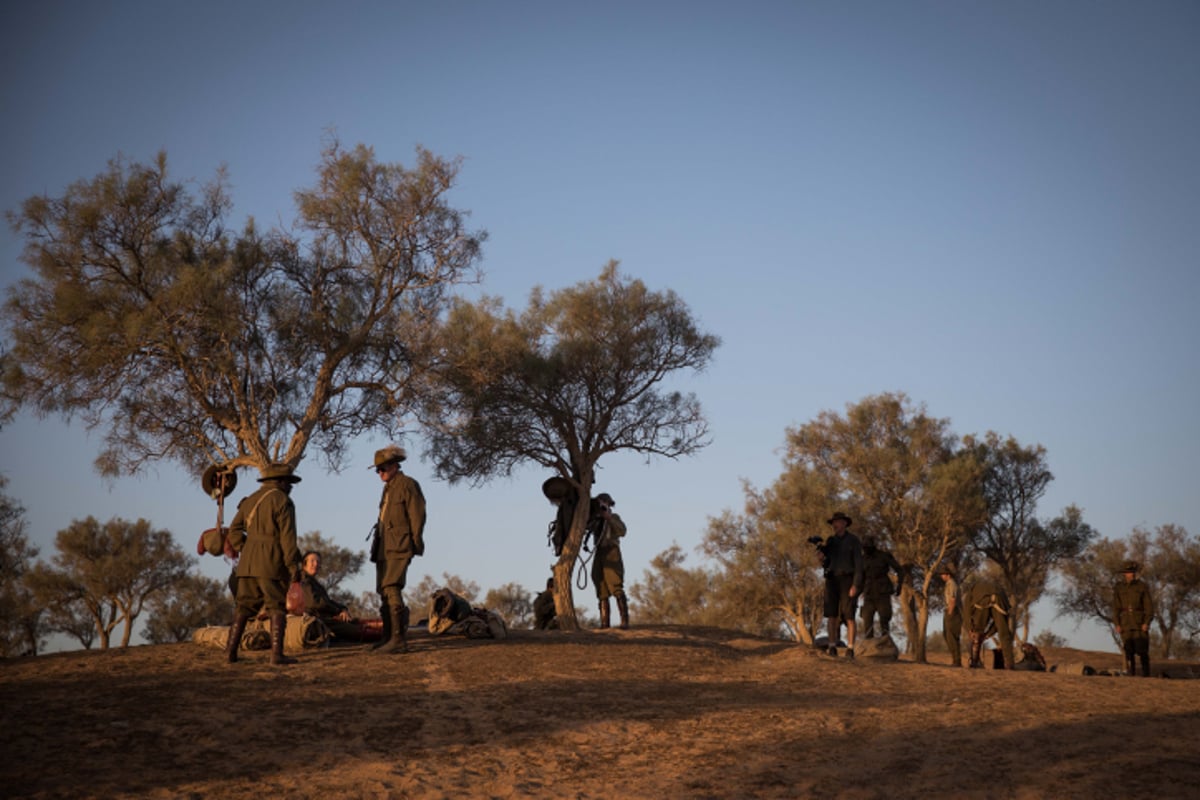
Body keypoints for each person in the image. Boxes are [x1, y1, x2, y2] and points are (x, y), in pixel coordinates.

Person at [224, 463, 304, 666]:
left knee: (243, 607)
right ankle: (277, 655)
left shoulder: (249, 501)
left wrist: (247, 547)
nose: (291, 486)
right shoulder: (283, 501)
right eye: (288, 482)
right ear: (279, 482)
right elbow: (288, 539)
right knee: (277, 606)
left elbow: (233, 531)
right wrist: (293, 567)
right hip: (271, 563)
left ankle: (230, 652)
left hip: (247, 564)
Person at [368, 445, 426, 654]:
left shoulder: (408, 485)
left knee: (392, 586)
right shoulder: (389, 488)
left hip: (399, 545)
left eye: (382, 468)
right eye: (377, 470)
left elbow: (417, 517)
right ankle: (387, 637)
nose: (380, 473)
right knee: (383, 589)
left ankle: (398, 639)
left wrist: (414, 543)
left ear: (394, 466)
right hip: (383, 545)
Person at [820, 512, 864, 659]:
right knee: (831, 615)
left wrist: (856, 584)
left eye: (837, 522)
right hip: (832, 580)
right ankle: (832, 646)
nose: (834, 525)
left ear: (844, 523)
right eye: (833, 522)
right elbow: (826, 563)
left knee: (849, 615)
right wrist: (821, 558)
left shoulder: (853, 541)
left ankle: (850, 648)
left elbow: (859, 565)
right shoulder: (830, 541)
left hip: (848, 580)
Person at [299, 550, 364, 643]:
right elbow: (315, 603)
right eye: (312, 561)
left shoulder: (313, 582)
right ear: (304, 564)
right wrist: (337, 611)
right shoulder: (304, 581)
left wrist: (342, 608)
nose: (316, 564)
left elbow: (327, 601)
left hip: (321, 618)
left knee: (354, 624)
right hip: (315, 619)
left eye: (318, 562)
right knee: (356, 631)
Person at [589, 492, 629, 629]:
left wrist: (608, 518)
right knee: (599, 583)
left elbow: (622, 531)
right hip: (599, 552)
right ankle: (604, 623)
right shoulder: (595, 519)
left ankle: (624, 621)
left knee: (615, 583)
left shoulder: (614, 517)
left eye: (603, 503)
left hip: (611, 551)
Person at [1112, 560, 1154, 677]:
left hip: (1139, 624)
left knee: (1142, 650)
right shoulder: (1119, 588)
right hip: (1125, 624)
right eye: (1129, 572)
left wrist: (1147, 622)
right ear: (1124, 573)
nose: (1132, 574)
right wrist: (1117, 623)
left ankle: (1146, 674)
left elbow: (1149, 607)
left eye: (1133, 572)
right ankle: (1131, 674)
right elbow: (1116, 607)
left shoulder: (1142, 586)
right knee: (1128, 650)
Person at [963, 578, 1015, 669]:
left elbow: (966, 614)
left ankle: (974, 661)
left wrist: (970, 629)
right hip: (1000, 598)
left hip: (982, 601)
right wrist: (988, 634)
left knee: (976, 632)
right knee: (1004, 633)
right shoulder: (995, 588)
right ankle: (1009, 664)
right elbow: (999, 624)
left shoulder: (970, 593)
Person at [859, 536, 903, 638]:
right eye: (864, 547)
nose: (865, 549)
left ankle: (885, 644)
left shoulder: (884, 556)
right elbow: (859, 577)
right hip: (868, 593)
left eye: (867, 546)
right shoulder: (862, 559)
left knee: (884, 620)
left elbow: (899, 569)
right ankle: (869, 647)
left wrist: (899, 585)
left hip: (883, 592)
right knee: (867, 621)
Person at [938, 564, 962, 667]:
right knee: (947, 634)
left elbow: (952, 599)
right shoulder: (948, 584)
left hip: (952, 611)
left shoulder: (951, 584)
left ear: (947, 574)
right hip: (948, 610)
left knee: (951, 635)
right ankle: (955, 659)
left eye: (943, 574)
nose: (941, 576)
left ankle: (957, 660)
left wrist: (950, 612)